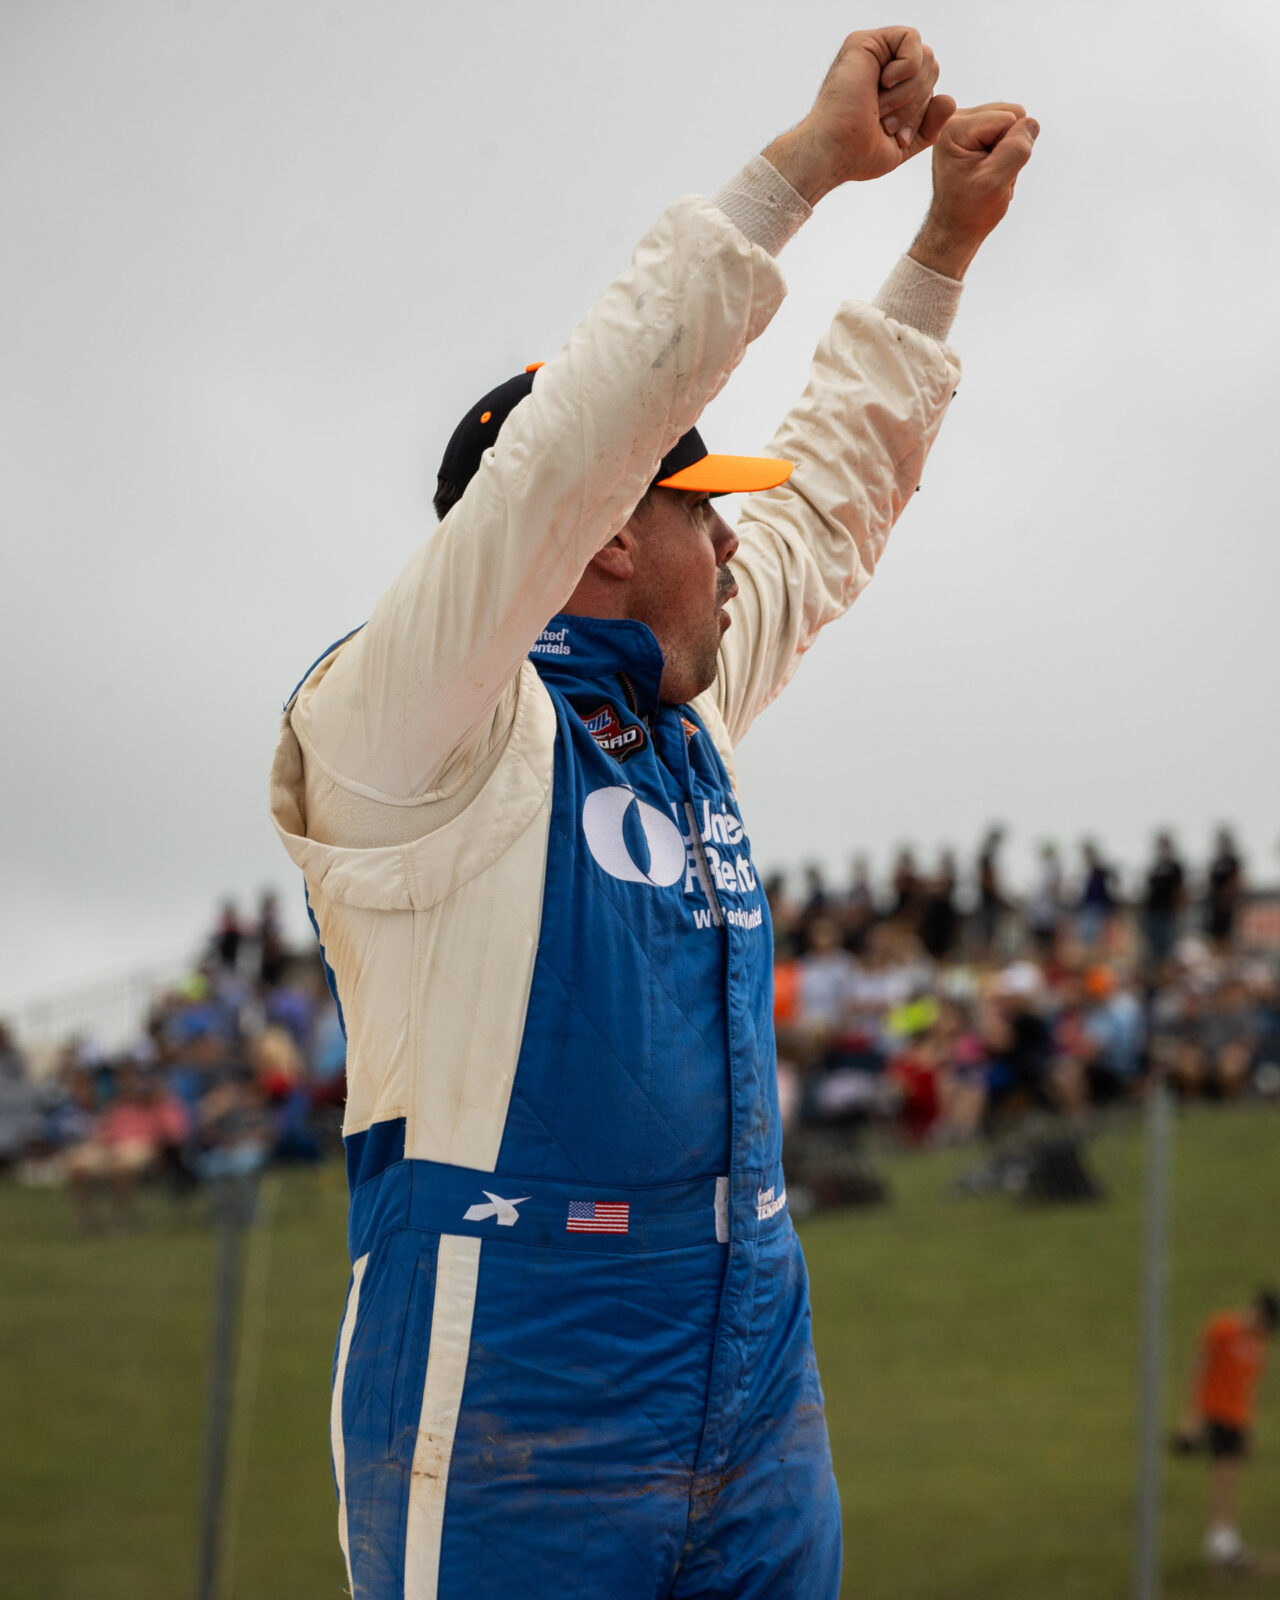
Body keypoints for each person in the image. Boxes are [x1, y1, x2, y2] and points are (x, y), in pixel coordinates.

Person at [269, 29, 1036, 1600]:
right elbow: (576, 436)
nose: (740, 546)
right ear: (607, 532)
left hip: (748, 1363)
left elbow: (829, 501)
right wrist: (800, 171)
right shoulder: (402, 733)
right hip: (511, 1399)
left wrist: (939, 256)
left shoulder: (672, 713)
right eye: (703, 510)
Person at [1176, 1289, 1278, 1568]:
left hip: (1237, 1418)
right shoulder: (1223, 1328)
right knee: (1224, 1475)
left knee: (1229, 1476)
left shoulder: (1259, 1344)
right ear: (1256, 1310)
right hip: (1215, 1413)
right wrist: (1194, 1415)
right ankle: (1222, 1541)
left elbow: (1249, 1388)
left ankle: (1223, 1538)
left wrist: (1249, 1427)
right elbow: (1200, 1366)